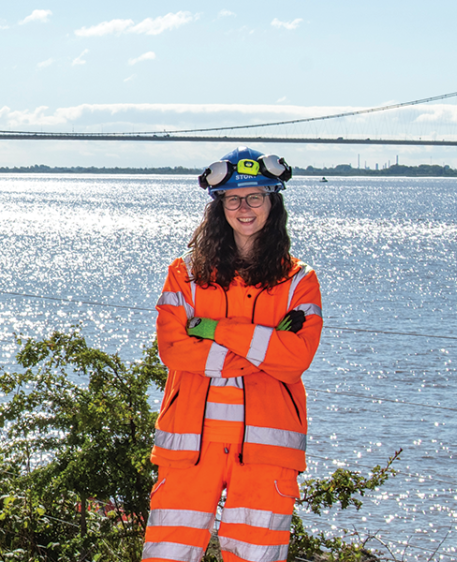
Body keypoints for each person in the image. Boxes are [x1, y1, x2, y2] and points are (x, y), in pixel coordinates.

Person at [142, 146, 323, 562]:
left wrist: (213, 330)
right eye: (233, 198)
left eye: (255, 196)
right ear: (218, 205)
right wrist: (263, 347)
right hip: (190, 451)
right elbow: (173, 350)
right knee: (167, 556)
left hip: (266, 454)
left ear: (272, 203)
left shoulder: (299, 280)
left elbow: (295, 360)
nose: (244, 207)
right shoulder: (184, 273)